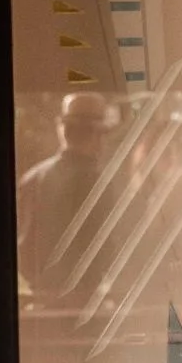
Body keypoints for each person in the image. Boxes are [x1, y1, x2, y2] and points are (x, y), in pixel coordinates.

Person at [16, 90, 113, 299]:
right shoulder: (103, 183)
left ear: (63, 130)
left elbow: (23, 250)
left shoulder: (33, 179)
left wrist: (43, 288)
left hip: (46, 304)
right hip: (92, 305)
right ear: (96, 135)